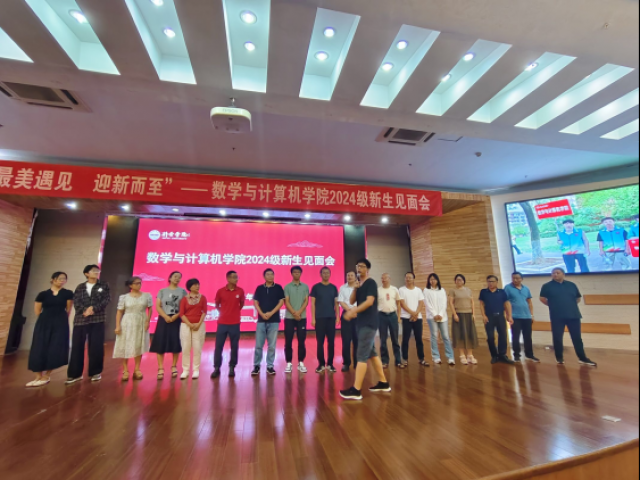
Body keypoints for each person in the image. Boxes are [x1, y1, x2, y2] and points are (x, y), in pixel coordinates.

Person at [340, 259, 390, 400]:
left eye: (362, 266)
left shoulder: (371, 283)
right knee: (372, 354)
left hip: (369, 323)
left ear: (367, 269)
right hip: (362, 323)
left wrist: (352, 311)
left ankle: (356, 390)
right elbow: (351, 301)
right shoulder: (359, 284)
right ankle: (383, 383)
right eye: (358, 266)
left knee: (361, 355)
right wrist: (356, 288)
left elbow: (369, 302)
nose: (359, 268)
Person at [540, 268, 597, 367]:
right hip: (557, 316)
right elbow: (542, 298)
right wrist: (553, 305)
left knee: (577, 337)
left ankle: (582, 358)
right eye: (553, 273)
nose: (555, 274)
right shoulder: (547, 286)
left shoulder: (571, 285)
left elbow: (578, 298)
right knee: (557, 337)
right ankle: (559, 357)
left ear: (563, 274)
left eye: (557, 273)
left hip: (573, 315)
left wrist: (569, 305)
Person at [27, 272, 74, 388]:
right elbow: (38, 310)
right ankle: (38, 376)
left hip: (60, 323)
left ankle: (47, 375)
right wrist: (46, 320)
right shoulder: (43, 294)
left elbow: (68, 310)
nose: (62, 280)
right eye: (60, 278)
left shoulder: (68, 293)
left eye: (64, 279)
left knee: (55, 347)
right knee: (39, 347)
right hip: (44, 323)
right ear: (53, 279)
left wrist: (60, 321)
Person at [66, 265, 111, 384]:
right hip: (81, 319)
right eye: (93, 271)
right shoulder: (80, 287)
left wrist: (93, 309)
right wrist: (84, 310)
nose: (96, 272)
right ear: (86, 274)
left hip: (97, 319)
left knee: (96, 346)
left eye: (97, 270)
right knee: (77, 346)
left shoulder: (103, 285)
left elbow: (106, 300)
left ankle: (95, 372)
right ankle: (75, 374)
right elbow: (76, 301)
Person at [114, 277, 153, 381]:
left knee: (139, 345)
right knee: (125, 344)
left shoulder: (147, 295)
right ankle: (125, 370)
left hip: (141, 321)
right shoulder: (124, 297)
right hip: (127, 322)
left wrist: (147, 321)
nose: (139, 285)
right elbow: (119, 311)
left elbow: (150, 309)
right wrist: (117, 326)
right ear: (130, 285)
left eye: (140, 283)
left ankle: (137, 369)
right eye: (136, 283)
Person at [150, 271, 186, 380]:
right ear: (170, 278)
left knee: (176, 343)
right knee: (160, 343)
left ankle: (174, 366)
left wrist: (176, 316)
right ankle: (160, 368)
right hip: (163, 319)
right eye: (175, 276)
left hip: (177, 319)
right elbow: (158, 306)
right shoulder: (162, 291)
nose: (177, 279)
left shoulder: (183, 292)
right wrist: (165, 316)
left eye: (179, 277)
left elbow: (184, 306)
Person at [212, 271, 245, 379]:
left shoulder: (240, 291)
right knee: (218, 346)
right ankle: (217, 367)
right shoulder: (221, 291)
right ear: (228, 278)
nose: (236, 279)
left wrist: (233, 312)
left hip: (235, 323)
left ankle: (232, 367)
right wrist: (224, 312)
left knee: (234, 346)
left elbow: (241, 304)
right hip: (222, 323)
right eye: (234, 277)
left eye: (237, 277)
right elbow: (217, 304)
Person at [252, 268, 285, 376]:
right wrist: (261, 313)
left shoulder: (278, 287)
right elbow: (255, 302)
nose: (270, 276)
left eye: (272, 274)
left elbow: (281, 302)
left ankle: (270, 366)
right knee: (258, 345)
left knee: (272, 346)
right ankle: (256, 365)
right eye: (268, 274)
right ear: (264, 276)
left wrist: (271, 313)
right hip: (261, 320)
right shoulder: (259, 288)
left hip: (274, 320)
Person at [479, 275, 515, 365]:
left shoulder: (502, 292)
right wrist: (483, 315)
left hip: (500, 316)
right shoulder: (484, 292)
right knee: (490, 337)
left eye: (492, 281)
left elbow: (507, 304)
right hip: (489, 317)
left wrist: (509, 316)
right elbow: (481, 304)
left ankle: (502, 355)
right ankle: (494, 355)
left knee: (503, 335)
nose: (490, 283)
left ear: (496, 282)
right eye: (489, 281)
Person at [505, 272, 540, 363]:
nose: (515, 280)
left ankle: (529, 355)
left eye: (517, 278)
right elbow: (505, 303)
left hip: (527, 316)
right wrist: (508, 315)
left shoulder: (526, 288)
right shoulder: (507, 288)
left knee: (528, 336)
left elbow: (529, 302)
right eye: (513, 278)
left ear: (521, 279)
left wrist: (531, 315)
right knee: (516, 336)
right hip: (515, 317)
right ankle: (517, 355)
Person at [310, 267, 340, 373]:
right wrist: (313, 318)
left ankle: (330, 364)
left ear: (330, 274)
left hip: (331, 318)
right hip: (319, 318)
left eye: (327, 273)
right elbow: (312, 304)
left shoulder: (333, 288)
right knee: (320, 342)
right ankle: (321, 364)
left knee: (331, 342)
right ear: (320, 274)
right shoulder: (316, 287)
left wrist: (338, 316)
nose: (326, 274)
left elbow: (336, 303)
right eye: (324, 273)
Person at [179, 278, 208, 380]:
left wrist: (198, 324)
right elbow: (182, 314)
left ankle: (196, 370)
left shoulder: (202, 298)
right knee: (185, 348)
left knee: (197, 348)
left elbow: (204, 311)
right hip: (186, 325)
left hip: (199, 325)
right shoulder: (184, 299)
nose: (197, 286)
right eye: (194, 285)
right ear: (189, 287)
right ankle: (185, 370)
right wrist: (190, 324)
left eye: (198, 284)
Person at [424, 273, 455, 366]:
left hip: (443, 317)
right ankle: (436, 357)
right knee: (434, 336)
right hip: (431, 317)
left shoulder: (442, 290)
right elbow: (427, 303)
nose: (432, 281)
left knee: (446, 337)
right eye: (431, 279)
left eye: (434, 279)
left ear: (437, 280)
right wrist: (434, 314)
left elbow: (444, 303)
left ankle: (450, 357)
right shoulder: (426, 290)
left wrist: (440, 314)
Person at [399, 272, 429, 367]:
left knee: (419, 339)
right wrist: (412, 313)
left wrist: (416, 314)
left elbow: (421, 303)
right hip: (406, 318)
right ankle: (404, 359)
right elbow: (402, 304)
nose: (408, 279)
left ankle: (421, 359)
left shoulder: (418, 290)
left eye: (410, 277)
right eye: (406, 277)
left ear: (413, 279)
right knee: (405, 339)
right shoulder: (401, 290)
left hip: (418, 318)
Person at [449, 274, 479, 365]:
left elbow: (472, 302)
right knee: (460, 335)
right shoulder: (453, 291)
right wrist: (455, 314)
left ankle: (470, 355)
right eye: (457, 280)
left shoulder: (468, 290)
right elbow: (451, 303)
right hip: (459, 314)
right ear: (455, 281)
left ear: (464, 281)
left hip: (468, 314)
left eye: (461, 280)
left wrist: (473, 314)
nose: (459, 281)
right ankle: (462, 356)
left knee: (470, 334)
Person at [284, 266, 309, 374]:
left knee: (301, 340)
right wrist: (294, 313)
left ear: (301, 273)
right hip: (289, 318)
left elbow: (306, 301)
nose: (296, 273)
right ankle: (289, 363)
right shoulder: (287, 287)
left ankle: (301, 362)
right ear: (291, 274)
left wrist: (299, 313)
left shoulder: (305, 287)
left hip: (302, 318)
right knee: (288, 340)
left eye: (298, 272)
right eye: (294, 272)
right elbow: (286, 301)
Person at [378, 273, 404, 369]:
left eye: (385, 278)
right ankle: (385, 361)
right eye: (382, 278)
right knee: (383, 340)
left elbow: (398, 304)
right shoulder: (378, 290)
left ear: (389, 279)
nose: (383, 279)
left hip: (393, 315)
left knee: (395, 339)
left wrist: (399, 316)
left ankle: (398, 361)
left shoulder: (394, 289)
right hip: (381, 316)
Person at [338, 271, 359, 372]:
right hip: (346, 315)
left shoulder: (359, 287)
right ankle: (346, 363)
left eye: (351, 275)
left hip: (357, 314)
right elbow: (341, 301)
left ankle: (357, 363)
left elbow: (362, 301)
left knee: (357, 340)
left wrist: (354, 310)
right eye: (348, 275)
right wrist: (349, 310)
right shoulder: (342, 287)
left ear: (355, 277)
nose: (349, 277)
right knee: (346, 341)